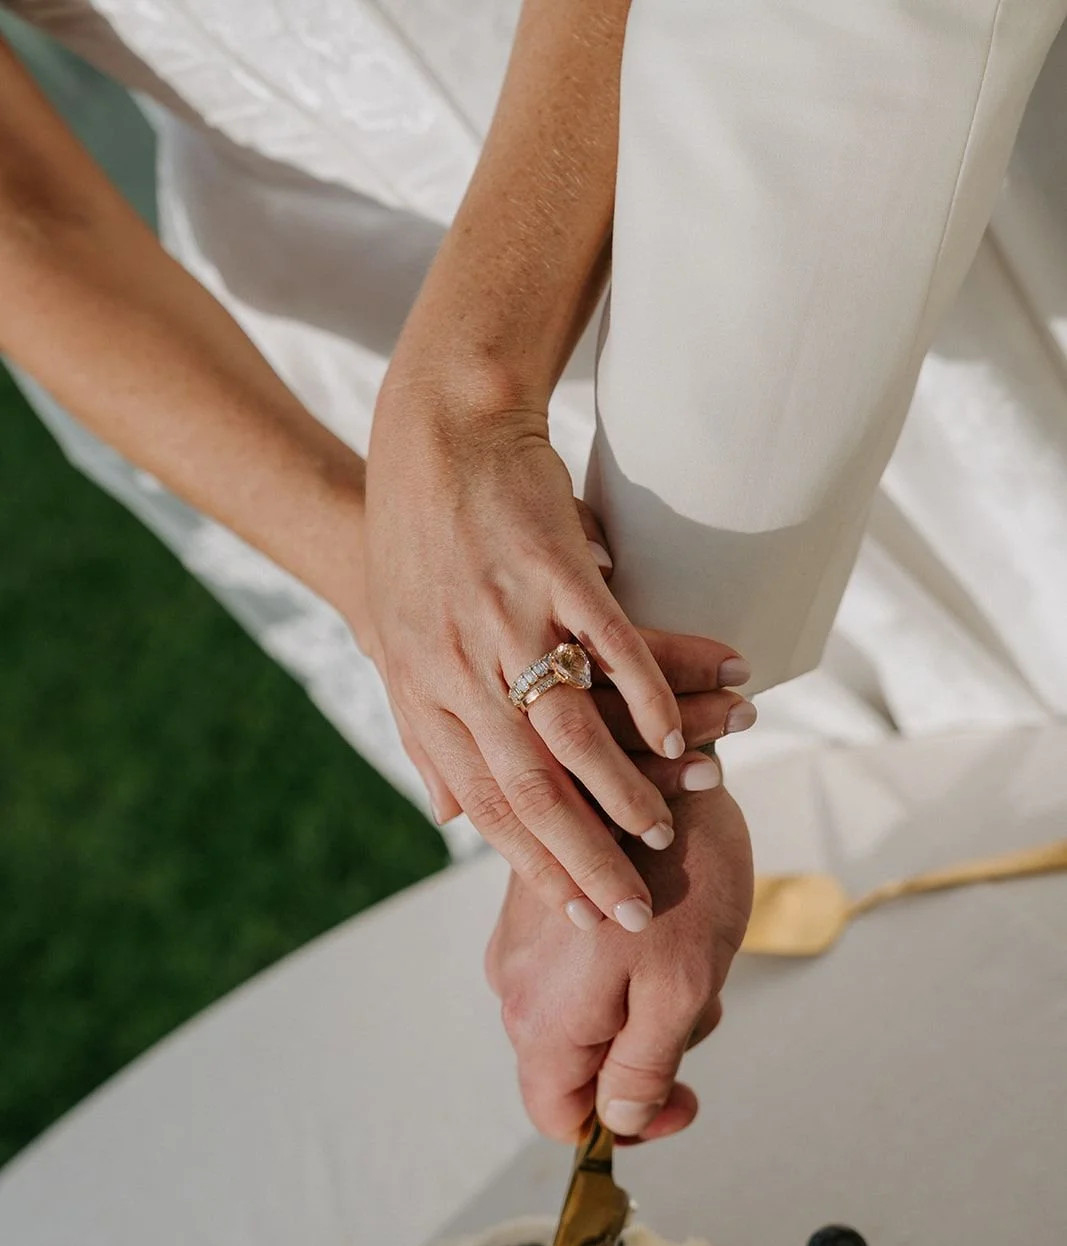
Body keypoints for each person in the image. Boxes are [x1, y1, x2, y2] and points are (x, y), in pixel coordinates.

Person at [3, 0, 1067, 1144]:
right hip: (337, 305)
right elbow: (32, 222)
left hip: (808, 149)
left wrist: (467, 392)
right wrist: (409, 599)